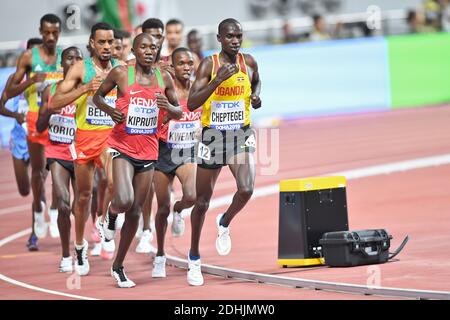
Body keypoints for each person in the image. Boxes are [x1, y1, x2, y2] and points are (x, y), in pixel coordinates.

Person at [93, 33, 182, 287]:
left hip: (148, 151)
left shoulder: (164, 77)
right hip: (121, 146)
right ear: (134, 49)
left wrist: (169, 106)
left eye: (153, 47)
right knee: (123, 199)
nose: (149, 50)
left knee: (134, 212)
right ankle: (109, 216)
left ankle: (118, 266)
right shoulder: (121, 73)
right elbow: (97, 97)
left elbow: (178, 111)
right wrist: (111, 110)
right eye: (143, 46)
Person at [186, 18, 261, 286]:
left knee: (246, 189)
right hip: (213, 137)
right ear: (219, 38)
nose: (235, 40)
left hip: (239, 134)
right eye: (230, 36)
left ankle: (225, 221)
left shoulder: (249, 62)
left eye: (239, 36)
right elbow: (192, 102)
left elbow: (257, 84)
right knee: (202, 202)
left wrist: (256, 97)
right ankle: (194, 257)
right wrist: (216, 81)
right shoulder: (209, 64)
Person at [51, 22, 120, 276]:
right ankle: (80, 246)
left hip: (110, 138)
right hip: (84, 138)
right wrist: (84, 89)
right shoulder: (81, 68)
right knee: (82, 197)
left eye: (110, 42)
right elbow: (55, 101)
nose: (106, 46)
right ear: (91, 43)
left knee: (114, 182)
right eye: (101, 42)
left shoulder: (119, 70)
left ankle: (103, 221)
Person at [6, 14, 63, 244]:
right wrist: (30, 81)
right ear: (40, 31)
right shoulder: (30, 57)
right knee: (38, 174)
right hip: (33, 120)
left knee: (62, 172)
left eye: (55, 33)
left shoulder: (64, 58)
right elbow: (9, 91)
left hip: (59, 121)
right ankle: (39, 209)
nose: (51, 37)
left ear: (59, 32)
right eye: (46, 32)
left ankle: (55, 209)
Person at [152, 47, 201, 278]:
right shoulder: (163, 90)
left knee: (191, 195)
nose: (187, 67)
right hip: (163, 151)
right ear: (172, 66)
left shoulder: (198, 91)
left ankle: (179, 210)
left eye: (189, 63)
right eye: (181, 63)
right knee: (161, 208)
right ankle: (160, 255)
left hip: (186, 151)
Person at [36, 46, 84, 272]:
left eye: (78, 59)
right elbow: (39, 126)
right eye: (69, 58)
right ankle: (66, 255)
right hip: (57, 152)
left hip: (82, 152)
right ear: (62, 64)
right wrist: (48, 112)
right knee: (63, 204)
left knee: (80, 206)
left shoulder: (89, 91)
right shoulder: (51, 90)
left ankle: (80, 246)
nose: (74, 62)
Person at [0, 38, 43, 249]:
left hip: (41, 139)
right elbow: (2, 105)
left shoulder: (49, 79)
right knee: (25, 190)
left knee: (37, 188)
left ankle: (34, 234)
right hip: (20, 141)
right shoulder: (15, 78)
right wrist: (16, 115)